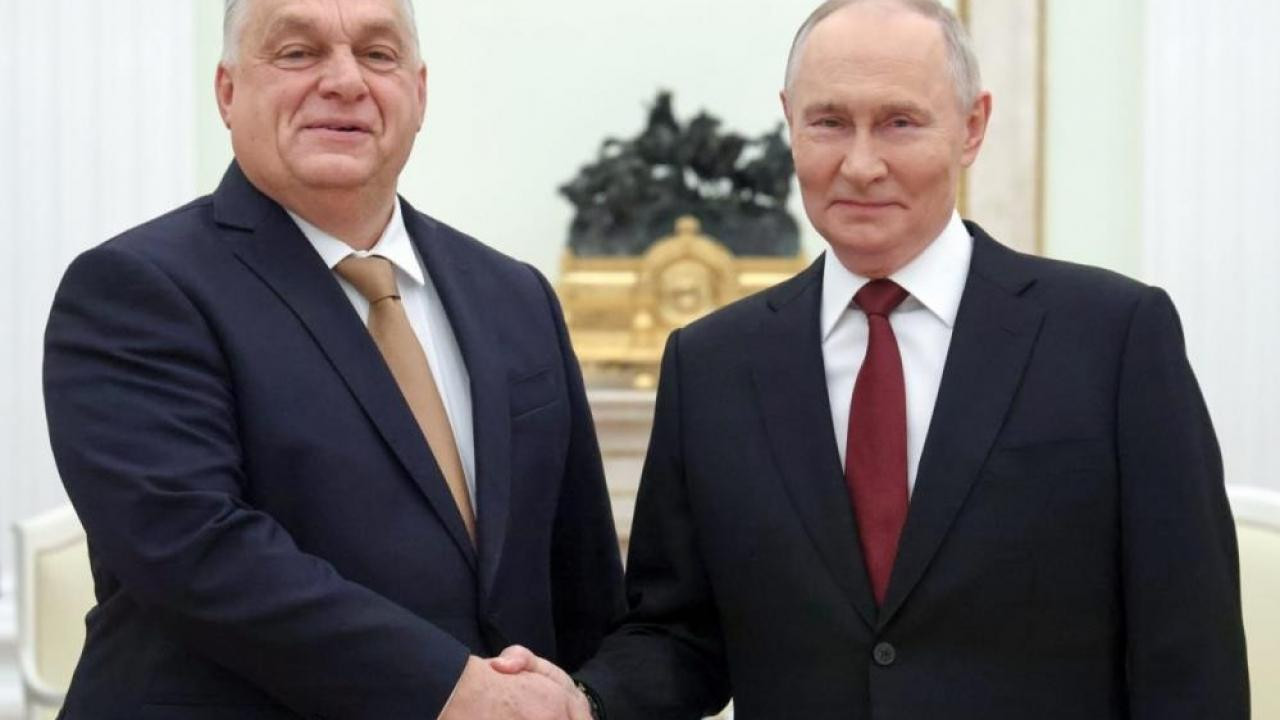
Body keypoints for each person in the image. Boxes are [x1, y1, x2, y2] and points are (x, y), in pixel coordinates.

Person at [496, 0, 1250, 717]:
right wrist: (584, 702)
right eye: (829, 122)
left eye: (899, 123)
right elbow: (680, 635)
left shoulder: (1112, 338)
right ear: (790, 123)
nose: (860, 164)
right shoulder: (711, 365)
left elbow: (1189, 648)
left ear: (971, 128)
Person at [42, 0, 621, 717]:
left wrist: (586, 699)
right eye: (298, 53)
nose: (346, 81)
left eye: (378, 54)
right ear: (227, 91)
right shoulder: (136, 289)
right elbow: (192, 550)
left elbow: (582, 573)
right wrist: (450, 688)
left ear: (419, 92)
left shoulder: (515, 295)